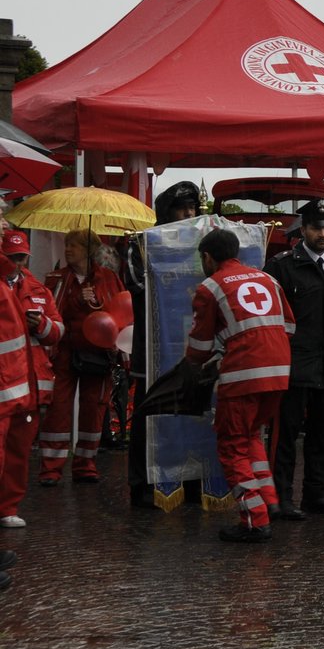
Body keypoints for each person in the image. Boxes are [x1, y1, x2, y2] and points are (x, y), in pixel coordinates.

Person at [186, 228, 294, 543]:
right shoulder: (268, 279)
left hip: (243, 374)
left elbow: (199, 347)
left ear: (208, 257)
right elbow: (289, 325)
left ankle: (254, 520)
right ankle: (268, 500)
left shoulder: (210, 286)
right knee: (252, 438)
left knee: (232, 446)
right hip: (278, 372)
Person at [264, 199, 324, 517]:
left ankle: (317, 493)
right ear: (304, 229)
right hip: (294, 363)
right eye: (317, 228)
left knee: (322, 434)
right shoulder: (282, 266)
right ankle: (280, 497)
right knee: (284, 435)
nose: (323, 234)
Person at [127, 180, 201, 509]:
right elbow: (137, 284)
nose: (189, 214)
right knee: (150, 419)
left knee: (190, 415)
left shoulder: (202, 245)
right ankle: (144, 485)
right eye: (181, 208)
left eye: (193, 208)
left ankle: (191, 481)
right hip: (153, 350)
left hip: (190, 350)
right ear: (165, 212)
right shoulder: (141, 243)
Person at [40, 229, 126, 485]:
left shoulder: (109, 278)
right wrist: (76, 299)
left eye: (74, 246)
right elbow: (50, 312)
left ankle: (85, 464)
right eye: (67, 245)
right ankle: (50, 469)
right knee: (58, 408)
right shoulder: (56, 278)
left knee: (93, 409)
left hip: (98, 355)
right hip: (64, 352)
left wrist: (96, 302)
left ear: (89, 250)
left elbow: (120, 313)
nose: (68, 250)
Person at [0, 230, 62, 529]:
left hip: (31, 384)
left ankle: (8, 506)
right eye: (12, 257)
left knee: (19, 451)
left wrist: (42, 325)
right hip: (6, 382)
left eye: (22, 257)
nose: (17, 263)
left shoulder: (39, 289)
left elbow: (59, 332)